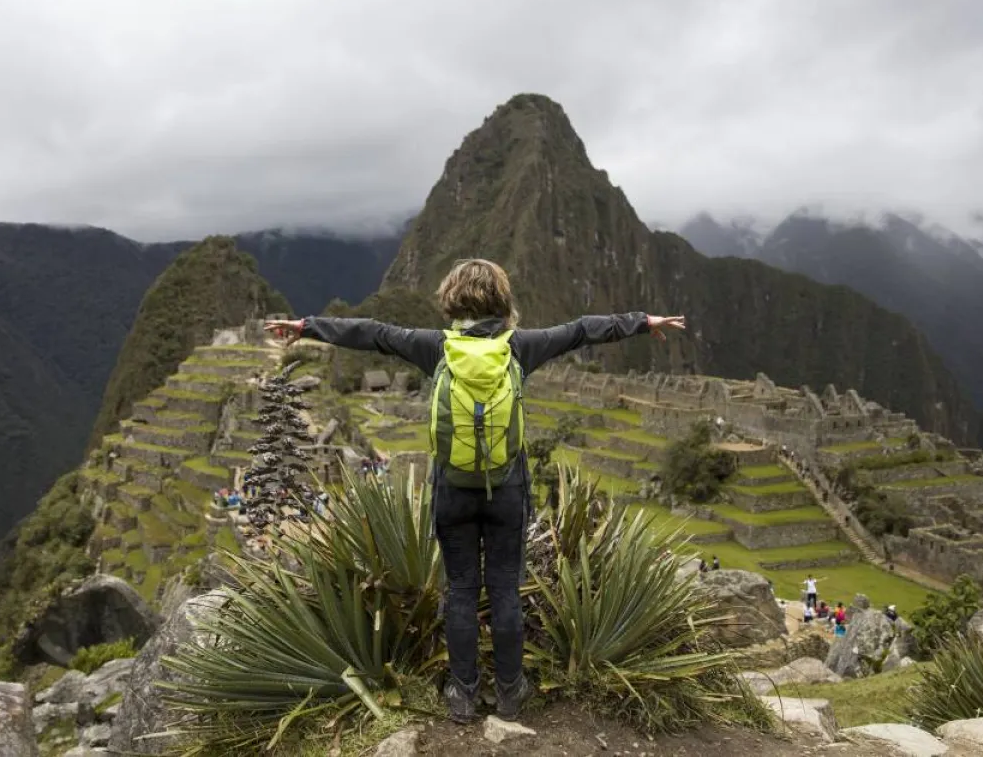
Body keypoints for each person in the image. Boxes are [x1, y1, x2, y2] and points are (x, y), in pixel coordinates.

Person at [265, 258, 685, 724]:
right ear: (503, 302)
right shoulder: (521, 347)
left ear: (451, 301)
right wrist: (642, 323)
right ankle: (509, 691)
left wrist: (307, 326)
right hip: (507, 487)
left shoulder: (434, 348)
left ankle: (462, 693)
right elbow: (583, 329)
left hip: (453, 488)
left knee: (461, 589)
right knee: (504, 589)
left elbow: (373, 333)